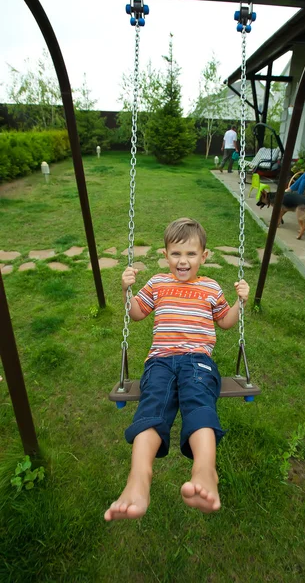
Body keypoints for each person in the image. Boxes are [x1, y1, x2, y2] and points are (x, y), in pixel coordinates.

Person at [104, 218, 250, 521]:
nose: (183, 262)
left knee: (198, 400)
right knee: (152, 403)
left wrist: (240, 302)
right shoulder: (157, 283)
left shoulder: (210, 287)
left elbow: (225, 321)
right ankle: (138, 481)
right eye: (176, 254)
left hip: (197, 360)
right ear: (165, 254)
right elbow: (137, 314)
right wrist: (125, 291)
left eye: (191, 255)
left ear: (204, 256)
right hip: (160, 360)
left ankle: (205, 471)